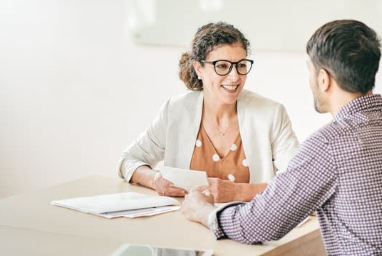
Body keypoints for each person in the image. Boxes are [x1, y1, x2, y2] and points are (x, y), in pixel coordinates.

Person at [182, 19, 382, 255]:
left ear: (323, 79)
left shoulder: (328, 146)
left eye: (310, 69)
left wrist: (202, 211)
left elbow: (256, 225)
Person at [118, 22, 299, 203]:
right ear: (199, 68)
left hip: (248, 227)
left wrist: (239, 192)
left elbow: (298, 183)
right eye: (222, 66)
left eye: (241, 65)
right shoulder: (175, 111)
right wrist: (155, 179)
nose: (235, 76)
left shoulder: (271, 114)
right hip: (186, 224)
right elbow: (128, 160)